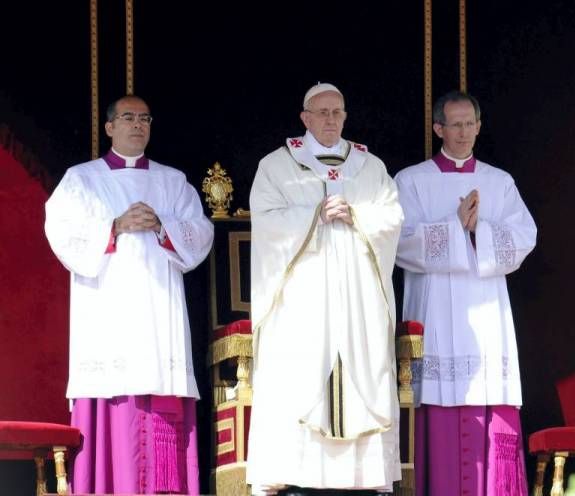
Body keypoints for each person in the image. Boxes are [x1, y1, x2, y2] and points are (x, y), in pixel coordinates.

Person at [44, 95, 214, 495]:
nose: (138, 125)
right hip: (107, 313)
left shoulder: (172, 182)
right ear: (109, 127)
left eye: (145, 118)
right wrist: (114, 227)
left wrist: (164, 227)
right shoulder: (81, 179)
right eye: (128, 118)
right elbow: (61, 232)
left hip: (160, 318)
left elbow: (201, 233)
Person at [246, 83, 404, 495]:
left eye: (337, 112)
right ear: (305, 118)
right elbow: (264, 219)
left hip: (358, 298)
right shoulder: (277, 165)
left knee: (362, 372)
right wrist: (313, 214)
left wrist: (357, 216)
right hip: (303, 297)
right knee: (298, 373)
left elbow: (392, 218)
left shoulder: (370, 167)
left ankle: (365, 478)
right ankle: (294, 474)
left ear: (345, 116)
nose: (331, 119)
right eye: (322, 112)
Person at [394, 90, 537, 496]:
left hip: (486, 311)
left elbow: (526, 236)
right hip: (435, 307)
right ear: (438, 127)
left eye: (469, 124)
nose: (463, 132)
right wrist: (453, 224)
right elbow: (398, 242)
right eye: (454, 124)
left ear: (479, 126)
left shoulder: (499, 181)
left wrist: (479, 231)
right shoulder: (411, 180)